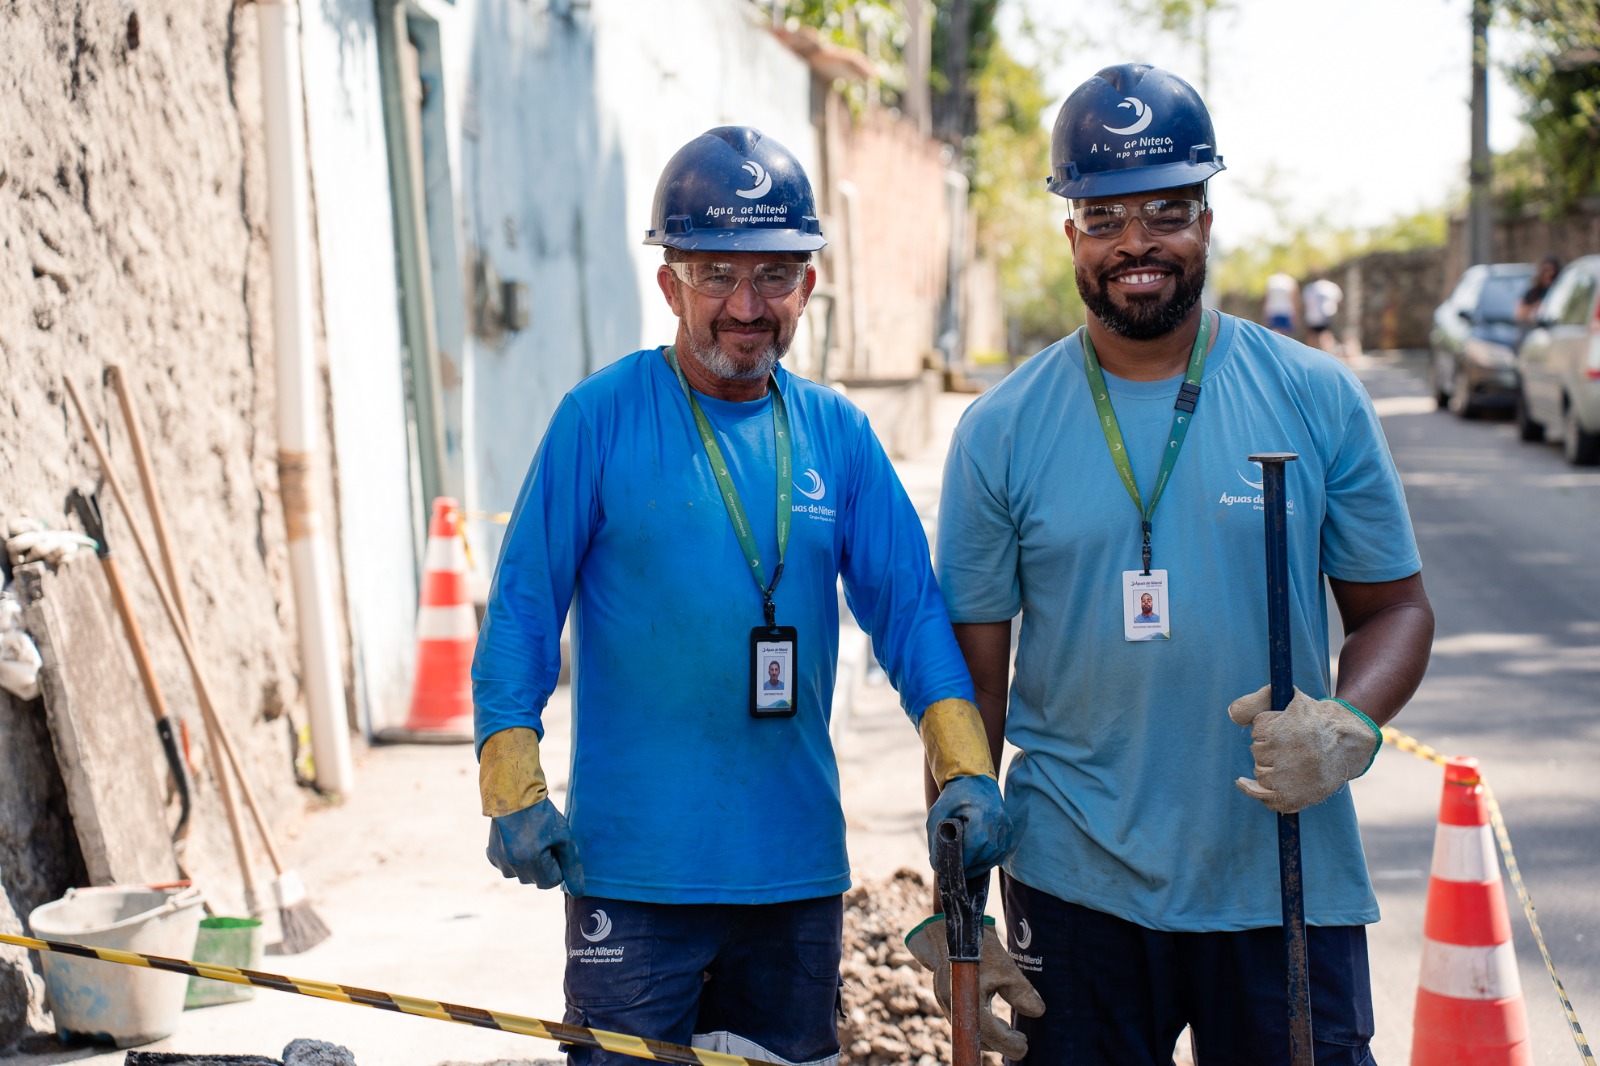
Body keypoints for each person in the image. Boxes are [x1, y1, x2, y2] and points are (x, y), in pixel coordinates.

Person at [472, 125, 1014, 1066]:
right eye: (716, 274)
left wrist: (966, 764)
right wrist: (510, 779)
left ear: (808, 285)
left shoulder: (838, 433)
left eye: (773, 275)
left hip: (793, 876)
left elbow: (911, 615)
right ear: (670, 285)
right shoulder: (598, 419)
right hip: (632, 878)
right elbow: (522, 610)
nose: (746, 305)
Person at [929, 64, 1435, 1065]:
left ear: (1207, 221)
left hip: (1285, 873)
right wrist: (960, 915)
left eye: (1166, 211)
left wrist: (1349, 723)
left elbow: (1397, 609)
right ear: (1070, 234)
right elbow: (969, 687)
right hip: (1072, 884)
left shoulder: (1315, 396)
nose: (1136, 242)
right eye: (1105, 217)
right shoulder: (1001, 430)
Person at [1302, 274, 1344, 355]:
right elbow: (1339, 300)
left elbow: (1305, 303)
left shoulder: (1309, 288)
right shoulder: (1331, 286)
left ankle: (1309, 356)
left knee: (1312, 338)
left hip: (1313, 316)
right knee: (1327, 337)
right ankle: (1329, 356)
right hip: (1327, 314)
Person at [1517, 254, 1561, 324]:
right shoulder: (1533, 292)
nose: (1549, 274)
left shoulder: (1561, 292)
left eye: (1553, 272)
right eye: (1546, 271)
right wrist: (1535, 308)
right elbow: (1519, 314)